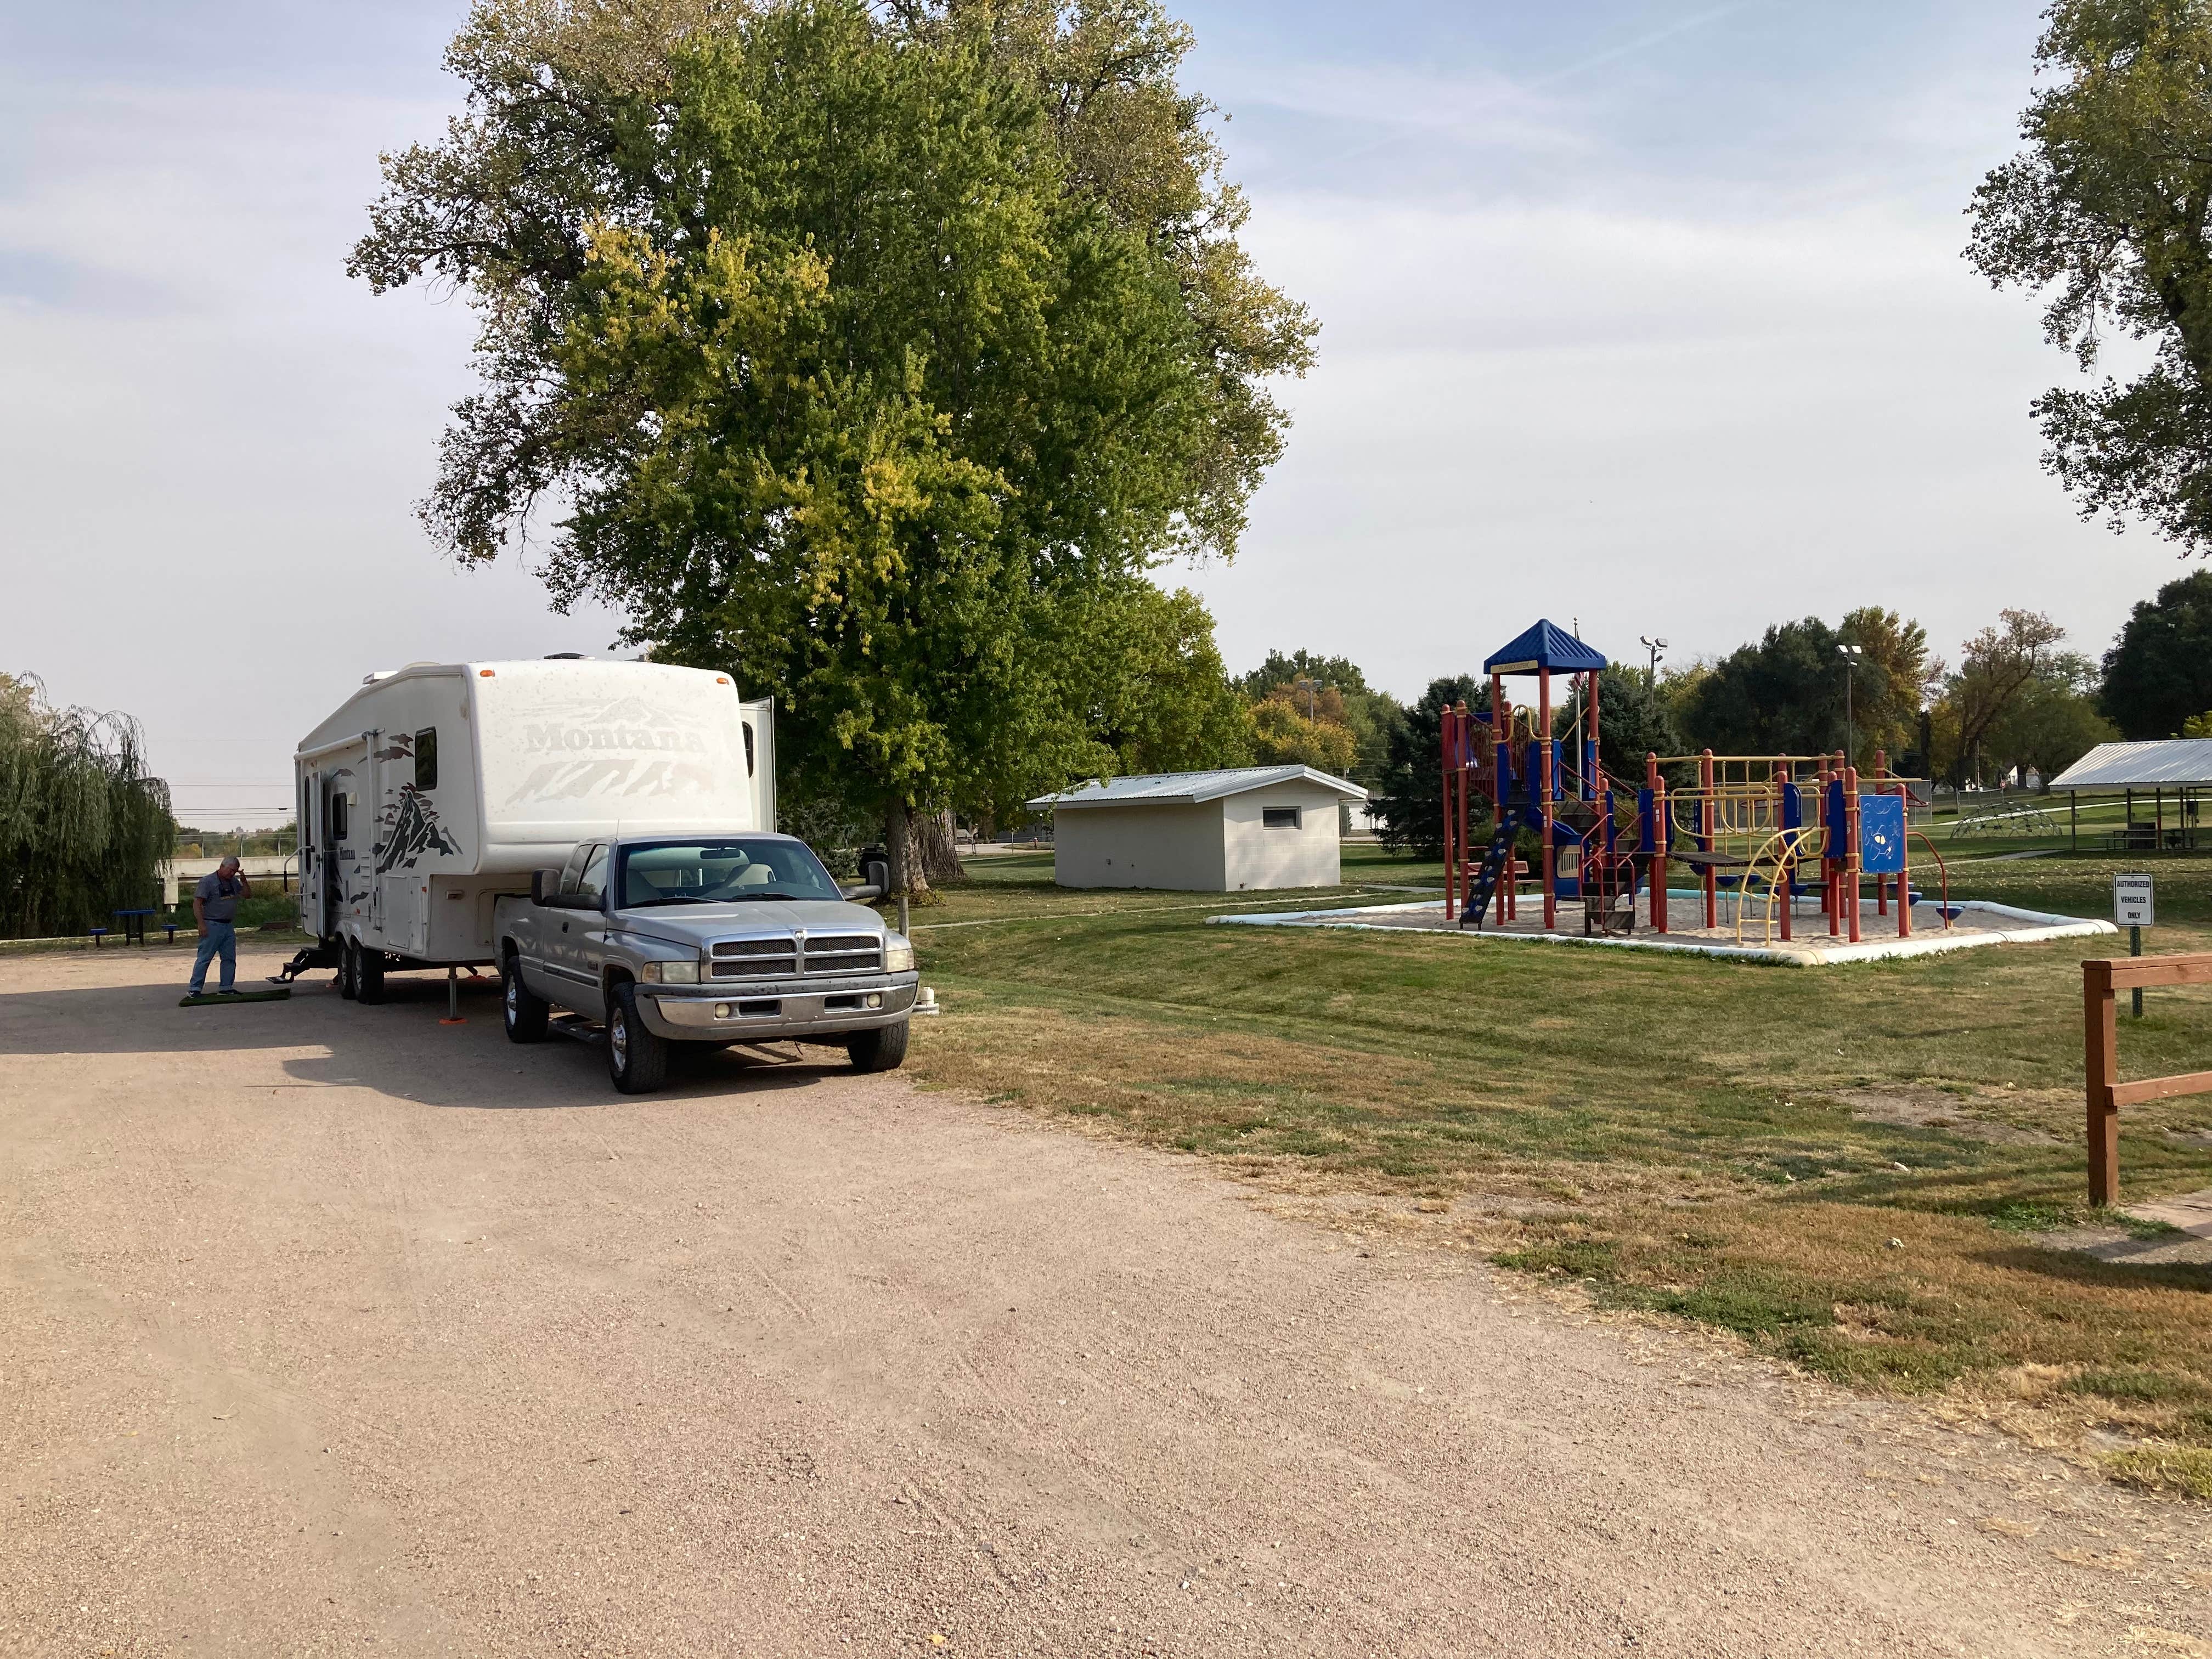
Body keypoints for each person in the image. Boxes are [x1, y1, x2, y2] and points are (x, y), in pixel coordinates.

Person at [188, 856, 251, 997]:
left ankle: (226, 987)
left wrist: (244, 881)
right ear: (222, 866)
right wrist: (201, 923)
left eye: (235, 872)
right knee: (205, 958)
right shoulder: (208, 881)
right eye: (230, 871)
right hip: (212, 924)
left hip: (228, 926)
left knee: (229, 958)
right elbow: (197, 903)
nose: (232, 874)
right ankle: (195, 988)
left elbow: (247, 895)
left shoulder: (233, 882)